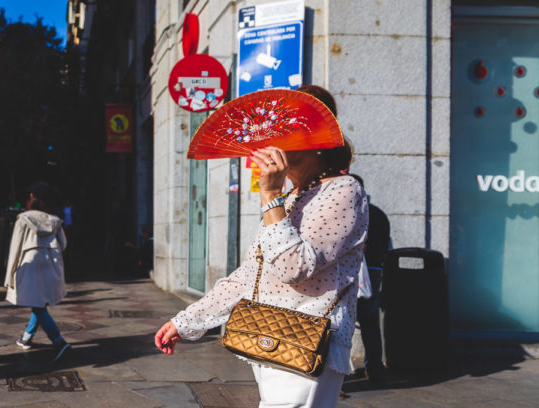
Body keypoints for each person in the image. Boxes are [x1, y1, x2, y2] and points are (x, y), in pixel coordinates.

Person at [154, 85, 368, 408]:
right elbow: (248, 275)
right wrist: (185, 322)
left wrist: (270, 196)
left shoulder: (343, 191)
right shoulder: (291, 198)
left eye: (285, 132)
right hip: (268, 339)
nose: (273, 141)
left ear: (314, 139)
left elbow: (293, 267)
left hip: (309, 345)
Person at [5, 181, 71, 361]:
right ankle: (26, 338)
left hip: (31, 264)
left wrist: (10, 275)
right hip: (51, 264)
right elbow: (63, 244)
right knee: (40, 304)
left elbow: (15, 248)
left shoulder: (23, 219)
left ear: (32, 197)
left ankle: (59, 341)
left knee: (38, 305)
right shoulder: (54, 220)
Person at [350, 174, 391, 381]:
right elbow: (386, 246)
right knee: (370, 322)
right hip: (373, 271)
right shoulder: (377, 213)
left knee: (340, 321)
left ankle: (338, 371)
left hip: (351, 271)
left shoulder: (350, 212)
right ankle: (374, 367)